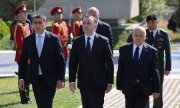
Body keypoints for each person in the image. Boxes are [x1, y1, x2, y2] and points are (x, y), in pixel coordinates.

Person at [18, 14, 66, 108]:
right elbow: (23, 61)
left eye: (40, 23)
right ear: (32, 25)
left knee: (47, 104)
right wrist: (21, 78)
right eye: (35, 23)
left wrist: (61, 79)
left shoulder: (54, 39)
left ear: (45, 24)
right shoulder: (28, 40)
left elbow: (61, 60)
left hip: (51, 78)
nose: (37, 25)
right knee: (40, 105)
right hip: (36, 79)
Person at [127, 14, 171, 108]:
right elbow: (129, 40)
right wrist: (139, 26)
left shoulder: (163, 34)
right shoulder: (142, 33)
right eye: (149, 22)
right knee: (144, 89)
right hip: (144, 67)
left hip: (158, 67)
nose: (151, 24)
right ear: (146, 23)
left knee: (158, 90)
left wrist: (168, 67)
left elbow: (167, 52)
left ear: (157, 22)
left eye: (153, 22)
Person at [69, 16, 114, 108]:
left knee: (97, 105)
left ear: (95, 25)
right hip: (84, 81)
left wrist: (110, 82)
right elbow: (73, 63)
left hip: (99, 82)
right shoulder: (77, 42)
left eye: (88, 23)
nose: (85, 25)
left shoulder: (103, 41)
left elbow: (109, 63)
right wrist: (72, 81)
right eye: (84, 23)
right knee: (86, 105)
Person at [117, 26, 160, 108]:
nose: (138, 38)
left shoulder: (152, 51)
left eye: (141, 35)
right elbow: (121, 69)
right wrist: (119, 85)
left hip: (144, 88)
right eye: (136, 35)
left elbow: (155, 72)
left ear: (145, 37)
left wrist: (156, 90)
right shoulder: (124, 50)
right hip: (129, 87)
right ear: (132, 36)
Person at [11, 4, 32, 104]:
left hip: (29, 56)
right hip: (22, 56)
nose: (26, 14)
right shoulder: (18, 26)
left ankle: (27, 96)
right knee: (23, 77)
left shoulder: (27, 25)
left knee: (28, 77)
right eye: (24, 12)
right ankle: (23, 98)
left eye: (26, 12)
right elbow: (19, 43)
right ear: (18, 15)